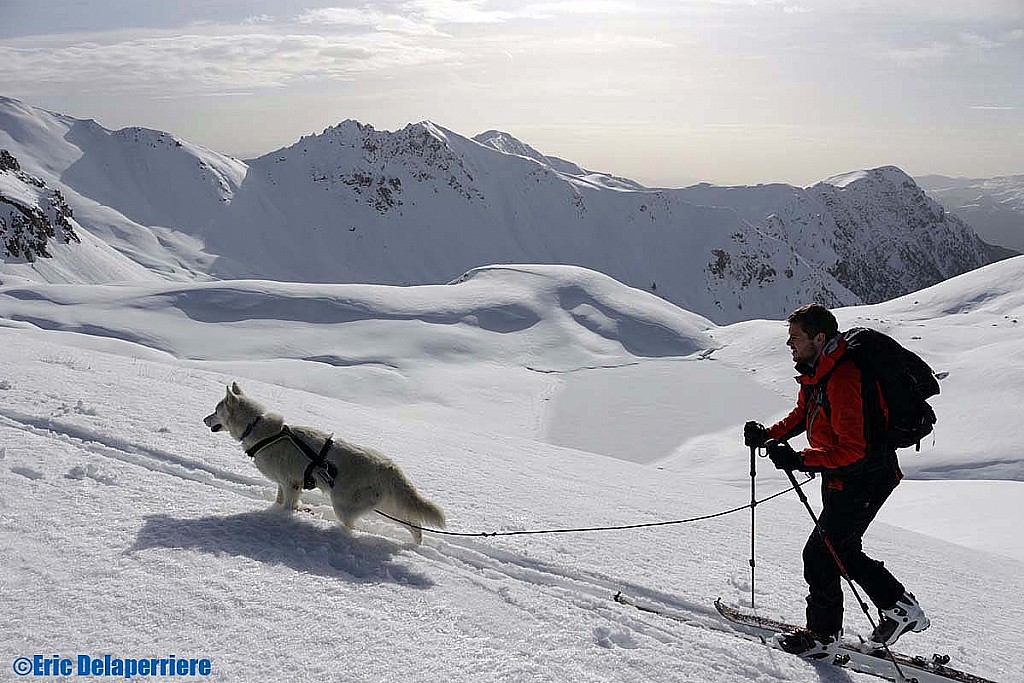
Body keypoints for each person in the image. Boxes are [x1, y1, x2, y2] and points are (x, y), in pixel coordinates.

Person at [743, 304, 929, 658]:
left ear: (819, 338)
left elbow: (853, 450)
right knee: (839, 550)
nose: (789, 344)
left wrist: (800, 459)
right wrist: (769, 435)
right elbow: (804, 414)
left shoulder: (843, 377)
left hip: (865, 478)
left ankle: (822, 639)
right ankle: (899, 608)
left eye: (795, 337)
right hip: (844, 478)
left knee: (819, 554)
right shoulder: (818, 371)